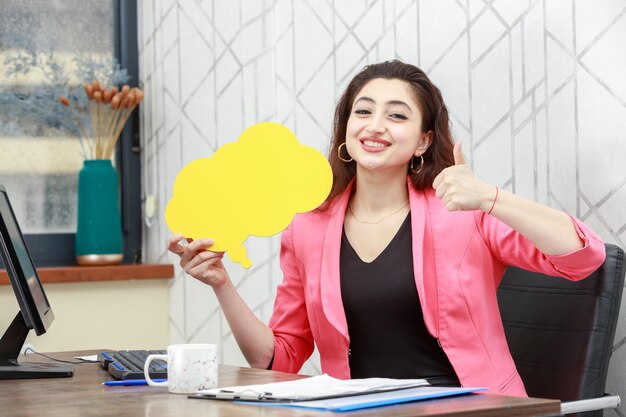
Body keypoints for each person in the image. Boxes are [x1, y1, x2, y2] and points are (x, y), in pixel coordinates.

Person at [167, 60, 605, 396]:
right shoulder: (307, 227)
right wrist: (221, 283)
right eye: (363, 112)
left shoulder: (462, 209)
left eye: (397, 116)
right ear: (346, 129)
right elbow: (278, 357)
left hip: (468, 407)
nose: (375, 126)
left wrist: (492, 198)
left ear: (423, 140)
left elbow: (583, 257)